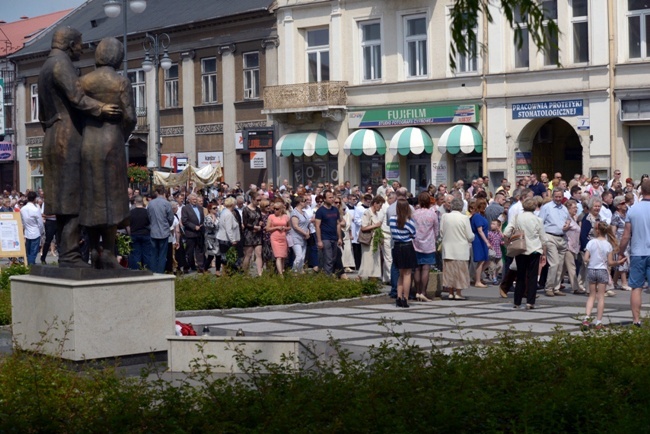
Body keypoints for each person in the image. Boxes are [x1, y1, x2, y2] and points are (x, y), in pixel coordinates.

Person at [38, 27, 121, 268]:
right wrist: (101, 108)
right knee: (73, 199)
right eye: (80, 44)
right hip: (68, 136)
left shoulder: (45, 66)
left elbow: (44, 112)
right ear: (70, 43)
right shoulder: (60, 64)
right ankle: (71, 255)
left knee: (63, 200)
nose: (82, 48)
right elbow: (76, 97)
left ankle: (68, 253)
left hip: (52, 134)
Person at [78, 37, 136, 269]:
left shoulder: (82, 81)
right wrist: (121, 133)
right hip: (112, 140)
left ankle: (93, 247)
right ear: (118, 57)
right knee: (113, 196)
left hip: (89, 140)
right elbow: (130, 116)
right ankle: (109, 250)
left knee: (91, 194)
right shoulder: (121, 82)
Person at [503, 198, 547, 309]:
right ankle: (530, 302)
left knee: (520, 276)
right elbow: (543, 239)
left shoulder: (517, 217)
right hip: (535, 249)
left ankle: (517, 302)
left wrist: (507, 243)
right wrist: (544, 254)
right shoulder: (538, 220)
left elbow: (506, 232)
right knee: (532, 277)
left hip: (520, 249)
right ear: (535, 207)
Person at [582, 221, 627, 329]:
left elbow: (586, 258)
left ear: (597, 230)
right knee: (601, 297)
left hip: (592, 270)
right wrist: (619, 263)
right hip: (602, 271)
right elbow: (610, 262)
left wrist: (591, 260)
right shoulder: (608, 245)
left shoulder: (591, 242)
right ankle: (598, 322)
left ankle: (586, 319)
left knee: (591, 296)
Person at [619, 179, 650, 327]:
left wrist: (620, 252)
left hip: (638, 252)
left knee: (636, 287)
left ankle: (636, 320)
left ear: (641, 192)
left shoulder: (633, 210)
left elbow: (626, 235)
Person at [440, 198, 475, 300]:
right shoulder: (464, 218)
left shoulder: (445, 216)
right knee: (460, 272)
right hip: (461, 248)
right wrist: (473, 237)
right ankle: (458, 293)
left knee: (449, 271)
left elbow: (441, 232)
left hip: (448, 248)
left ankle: (450, 292)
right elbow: (469, 235)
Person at [539, 188, 570, 297]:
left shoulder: (564, 208)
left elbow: (568, 219)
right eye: (556, 197)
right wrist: (542, 240)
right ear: (552, 196)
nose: (558, 199)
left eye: (559, 197)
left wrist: (567, 224)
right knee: (554, 263)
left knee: (560, 265)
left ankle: (556, 287)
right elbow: (540, 222)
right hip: (550, 237)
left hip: (562, 237)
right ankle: (549, 287)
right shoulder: (546, 207)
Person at [389, 198, 418, 308]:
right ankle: (405, 298)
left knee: (400, 274)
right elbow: (414, 234)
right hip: (407, 246)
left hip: (397, 246)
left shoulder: (392, 219)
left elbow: (392, 232)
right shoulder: (409, 221)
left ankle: (398, 297)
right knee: (407, 274)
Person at [412, 191, 438, 301]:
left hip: (415, 243)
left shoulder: (414, 213)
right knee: (426, 269)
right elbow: (436, 230)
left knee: (417, 269)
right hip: (428, 244)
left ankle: (417, 291)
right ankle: (423, 292)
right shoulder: (432, 214)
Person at [315, 190, 343, 275]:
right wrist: (319, 240)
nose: (332, 199)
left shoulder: (335, 210)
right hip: (325, 238)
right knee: (328, 259)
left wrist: (339, 238)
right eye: (329, 197)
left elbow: (338, 224)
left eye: (332, 197)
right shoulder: (320, 211)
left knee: (334, 258)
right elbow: (317, 226)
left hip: (334, 237)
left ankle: (328, 275)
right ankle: (328, 278)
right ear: (324, 199)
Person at [358, 195, 385, 281]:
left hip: (375, 241)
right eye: (380, 205)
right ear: (375, 203)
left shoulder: (376, 214)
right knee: (367, 260)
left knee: (374, 260)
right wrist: (375, 225)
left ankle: (373, 277)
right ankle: (362, 277)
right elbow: (363, 227)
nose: (380, 208)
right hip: (368, 240)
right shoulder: (367, 212)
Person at [241, 192, 264, 277]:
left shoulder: (258, 209)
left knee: (258, 253)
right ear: (252, 199)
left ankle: (259, 273)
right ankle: (244, 272)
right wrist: (254, 227)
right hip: (249, 234)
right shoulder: (246, 209)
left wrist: (260, 224)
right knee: (248, 254)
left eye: (260, 200)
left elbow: (260, 218)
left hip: (257, 234)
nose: (259, 202)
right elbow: (245, 223)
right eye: (257, 200)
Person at [181, 193, 205, 273]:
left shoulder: (200, 208)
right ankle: (188, 266)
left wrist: (201, 225)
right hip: (190, 233)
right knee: (189, 251)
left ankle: (201, 267)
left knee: (199, 251)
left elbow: (202, 219)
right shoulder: (185, 208)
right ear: (189, 200)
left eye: (196, 199)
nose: (195, 201)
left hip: (199, 233)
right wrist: (194, 227)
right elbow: (184, 221)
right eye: (193, 199)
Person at [611, 196, 631, 291]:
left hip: (627, 240)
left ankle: (614, 282)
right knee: (623, 260)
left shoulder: (626, 214)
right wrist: (614, 244)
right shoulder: (616, 216)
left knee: (622, 261)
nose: (625, 205)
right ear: (618, 206)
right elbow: (613, 231)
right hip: (619, 241)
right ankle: (624, 283)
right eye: (622, 203)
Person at [469, 198, 489, 288]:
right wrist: (487, 242)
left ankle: (477, 277)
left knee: (485, 260)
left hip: (481, 239)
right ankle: (477, 280)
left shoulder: (479, 215)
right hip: (479, 240)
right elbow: (479, 230)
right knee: (480, 261)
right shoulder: (477, 216)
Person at [20, 191, 44, 265]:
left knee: (28, 251)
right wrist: (41, 232)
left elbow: (23, 221)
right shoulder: (35, 209)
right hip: (35, 231)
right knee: (33, 252)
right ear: (35, 199)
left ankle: (28, 264)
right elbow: (40, 223)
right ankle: (31, 265)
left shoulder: (23, 209)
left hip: (27, 231)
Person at [266, 200, 290, 274]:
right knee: (278, 256)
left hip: (283, 237)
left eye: (277, 209)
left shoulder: (286, 217)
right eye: (274, 209)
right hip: (275, 238)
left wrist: (285, 228)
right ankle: (280, 274)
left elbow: (289, 227)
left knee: (283, 256)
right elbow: (267, 228)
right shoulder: (271, 217)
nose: (275, 210)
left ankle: (282, 270)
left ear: (281, 209)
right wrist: (276, 228)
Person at [216, 197, 241, 268]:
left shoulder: (224, 212)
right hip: (226, 239)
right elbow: (228, 229)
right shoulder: (228, 214)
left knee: (225, 258)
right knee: (228, 259)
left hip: (223, 238)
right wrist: (232, 240)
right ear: (232, 204)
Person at [127, 195, 151, 270]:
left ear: (135, 202)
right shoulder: (146, 212)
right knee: (147, 254)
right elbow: (150, 223)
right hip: (145, 234)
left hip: (134, 234)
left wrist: (129, 234)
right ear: (142, 202)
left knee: (135, 255)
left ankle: (136, 271)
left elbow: (128, 226)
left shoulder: (131, 212)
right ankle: (147, 270)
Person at [289, 195, 310, 273]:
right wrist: (305, 233)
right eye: (304, 201)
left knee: (303, 257)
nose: (306, 203)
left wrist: (307, 232)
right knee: (299, 256)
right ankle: (294, 271)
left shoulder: (304, 212)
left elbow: (307, 223)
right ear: (300, 202)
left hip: (304, 237)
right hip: (296, 237)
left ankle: (300, 271)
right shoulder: (294, 212)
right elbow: (295, 226)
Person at [203, 203, 221, 275]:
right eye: (214, 208)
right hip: (210, 239)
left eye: (216, 208)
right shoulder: (207, 217)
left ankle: (217, 270)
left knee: (218, 254)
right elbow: (210, 226)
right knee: (211, 255)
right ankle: (205, 268)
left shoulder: (218, 217)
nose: (216, 209)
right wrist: (213, 220)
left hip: (217, 238)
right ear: (210, 209)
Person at [487, 220, 503, 285]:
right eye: (491, 224)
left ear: (498, 226)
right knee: (493, 266)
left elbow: (502, 239)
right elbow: (487, 241)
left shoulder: (499, 234)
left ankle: (494, 275)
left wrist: (500, 231)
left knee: (500, 265)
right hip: (492, 253)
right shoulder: (489, 233)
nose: (491, 225)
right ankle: (494, 278)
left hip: (498, 252)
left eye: (494, 224)